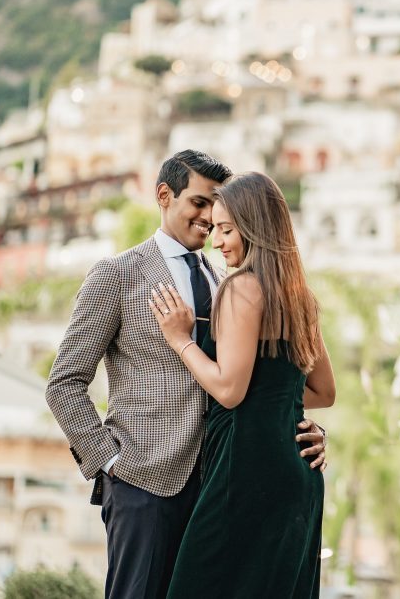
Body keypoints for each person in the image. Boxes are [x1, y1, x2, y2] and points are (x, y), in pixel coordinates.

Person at [45, 151, 328, 599]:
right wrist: (112, 464)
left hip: (221, 484)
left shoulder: (232, 279)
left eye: (217, 208)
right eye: (198, 203)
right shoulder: (117, 275)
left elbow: (262, 381)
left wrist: (296, 426)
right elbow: (64, 383)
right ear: (164, 196)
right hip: (144, 484)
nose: (209, 217)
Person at [149, 171, 336, 598]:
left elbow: (229, 390)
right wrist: (281, 412)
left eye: (227, 229)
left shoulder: (240, 288)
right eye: (215, 228)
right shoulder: (299, 296)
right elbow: (322, 392)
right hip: (296, 477)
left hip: (244, 472)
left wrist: (180, 340)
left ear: (256, 227)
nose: (217, 241)